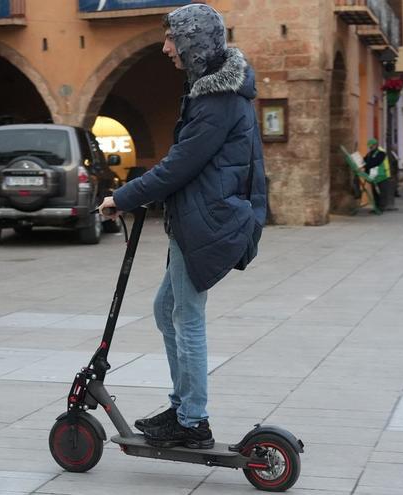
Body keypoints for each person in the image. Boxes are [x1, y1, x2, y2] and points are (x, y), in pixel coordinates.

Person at [98, 4, 266, 449]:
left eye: (172, 38)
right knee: (166, 310)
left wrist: (123, 197)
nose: (165, 47)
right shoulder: (209, 93)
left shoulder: (217, 100)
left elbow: (179, 166)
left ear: (193, 43)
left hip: (208, 223)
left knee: (186, 316)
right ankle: (183, 408)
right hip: (199, 219)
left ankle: (192, 420)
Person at [363, 138, 389, 209]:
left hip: (381, 175)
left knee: (381, 192)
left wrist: (365, 165)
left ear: (376, 145)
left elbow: (375, 162)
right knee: (375, 192)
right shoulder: (369, 154)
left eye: (372, 146)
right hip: (373, 176)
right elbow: (364, 160)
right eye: (370, 146)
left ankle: (382, 207)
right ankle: (376, 206)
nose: (370, 147)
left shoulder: (381, 153)